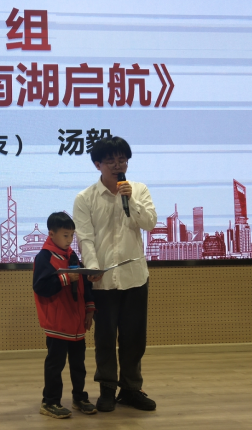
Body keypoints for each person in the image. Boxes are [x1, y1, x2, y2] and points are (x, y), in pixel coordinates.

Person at [72, 136, 157, 412]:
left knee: (134, 339)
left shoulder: (139, 190)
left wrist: (130, 200)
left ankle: (131, 389)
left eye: (122, 160)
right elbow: (85, 238)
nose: (118, 165)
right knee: (105, 339)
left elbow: (150, 223)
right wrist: (93, 267)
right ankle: (107, 389)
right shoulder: (85, 198)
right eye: (111, 161)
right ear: (98, 164)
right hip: (103, 280)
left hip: (135, 277)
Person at [33, 212, 97, 419]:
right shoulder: (44, 257)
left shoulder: (73, 256)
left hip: (76, 322)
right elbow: (41, 287)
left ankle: (79, 397)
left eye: (72, 236)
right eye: (65, 235)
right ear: (51, 234)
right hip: (57, 323)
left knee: (79, 364)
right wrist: (65, 279)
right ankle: (50, 401)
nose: (69, 240)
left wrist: (89, 308)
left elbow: (85, 284)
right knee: (55, 364)